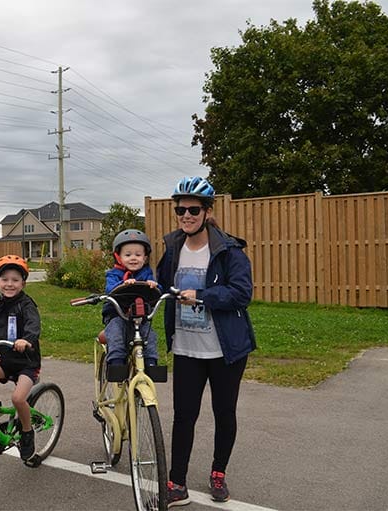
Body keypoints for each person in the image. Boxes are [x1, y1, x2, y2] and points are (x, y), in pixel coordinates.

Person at [156, 176, 256, 507]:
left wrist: (201, 296)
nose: (186, 215)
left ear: (207, 211)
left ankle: (218, 473)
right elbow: (158, 285)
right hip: (186, 348)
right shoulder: (173, 248)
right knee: (184, 416)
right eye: (180, 209)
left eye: (193, 209)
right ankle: (177, 482)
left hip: (224, 349)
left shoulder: (228, 250)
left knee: (224, 412)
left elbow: (242, 293)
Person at [0, 254, 42, 461]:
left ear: (23, 283)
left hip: (26, 362)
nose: (10, 284)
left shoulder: (27, 305)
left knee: (18, 398)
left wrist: (26, 339)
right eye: (5, 279)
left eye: (15, 280)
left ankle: (27, 433)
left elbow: (33, 326)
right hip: (5, 361)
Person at [103, 229, 161, 367]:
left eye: (138, 254)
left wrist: (154, 285)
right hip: (117, 314)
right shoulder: (113, 274)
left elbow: (157, 292)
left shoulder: (146, 273)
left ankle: (151, 363)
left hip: (140, 316)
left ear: (145, 258)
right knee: (116, 333)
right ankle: (116, 363)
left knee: (150, 335)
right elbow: (109, 289)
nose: (133, 258)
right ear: (118, 257)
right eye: (128, 255)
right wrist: (123, 283)